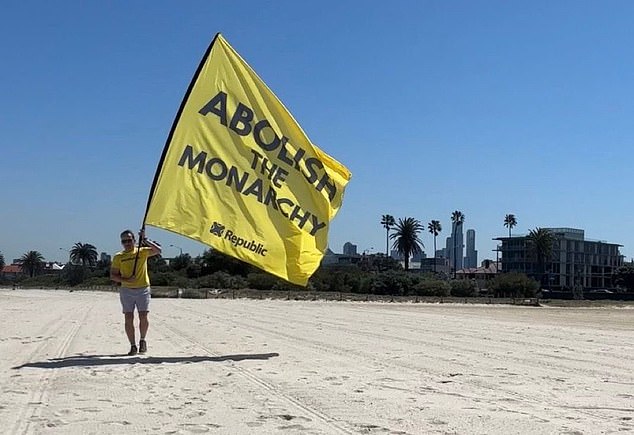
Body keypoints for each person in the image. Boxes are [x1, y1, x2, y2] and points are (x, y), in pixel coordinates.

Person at [110, 229, 161, 356]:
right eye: (124, 241)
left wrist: (145, 239)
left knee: (143, 316)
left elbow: (158, 250)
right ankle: (132, 345)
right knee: (128, 317)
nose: (127, 243)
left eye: (129, 240)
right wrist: (125, 279)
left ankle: (142, 340)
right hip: (126, 290)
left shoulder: (141, 252)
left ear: (134, 240)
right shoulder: (118, 257)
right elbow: (113, 276)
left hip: (143, 288)